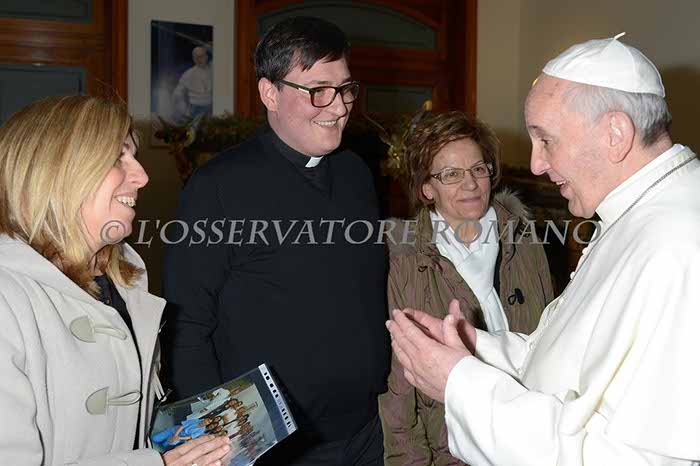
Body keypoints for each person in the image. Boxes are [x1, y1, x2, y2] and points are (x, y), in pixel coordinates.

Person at [387, 34, 700, 465]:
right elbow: (561, 359)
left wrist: (460, 384)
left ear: (615, 133)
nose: (536, 164)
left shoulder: (679, 244)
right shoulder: (634, 215)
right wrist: (475, 345)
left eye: (547, 140)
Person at [163, 16, 389, 465]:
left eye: (345, 89)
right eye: (318, 90)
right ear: (270, 93)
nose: (338, 107)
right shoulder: (218, 186)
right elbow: (187, 326)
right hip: (271, 447)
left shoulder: (355, 173)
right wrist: (216, 444)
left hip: (366, 429)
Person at [0, 95, 230, 465]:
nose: (142, 176)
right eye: (117, 157)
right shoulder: (6, 296)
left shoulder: (124, 285)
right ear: (56, 170)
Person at [379, 111, 554, 465]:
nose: (471, 184)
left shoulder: (525, 240)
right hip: (452, 450)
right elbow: (399, 391)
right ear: (426, 188)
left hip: (532, 437)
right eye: (451, 174)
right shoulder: (405, 261)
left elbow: (552, 339)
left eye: (478, 169)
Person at [172, 46, 213, 121]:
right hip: (195, 109)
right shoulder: (188, 74)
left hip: (211, 107)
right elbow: (177, 93)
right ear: (193, 59)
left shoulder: (212, 71)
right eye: (196, 57)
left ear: (206, 57)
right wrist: (184, 110)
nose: (199, 59)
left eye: (201, 56)